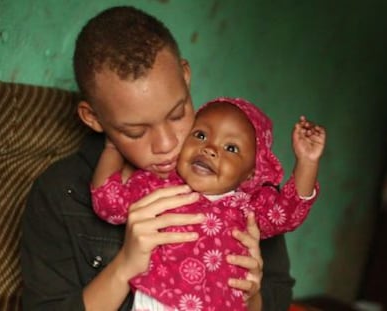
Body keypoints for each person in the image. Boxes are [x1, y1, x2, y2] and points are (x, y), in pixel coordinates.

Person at [20, 6, 297, 311]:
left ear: (186, 76)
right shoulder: (61, 194)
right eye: (136, 132)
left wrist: (252, 297)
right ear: (93, 118)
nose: (167, 145)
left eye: (177, 114)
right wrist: (124, 267)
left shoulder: (234, 176)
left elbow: (279, 293)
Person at [90, 97, 325, 310]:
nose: (210, 149)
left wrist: (307, 162)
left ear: (250, 174)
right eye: (201, 135)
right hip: (161, 299)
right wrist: (112, 149)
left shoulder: (249, 207)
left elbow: (289, 212)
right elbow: (108, 203)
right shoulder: (157, 185)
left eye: (231, 148)